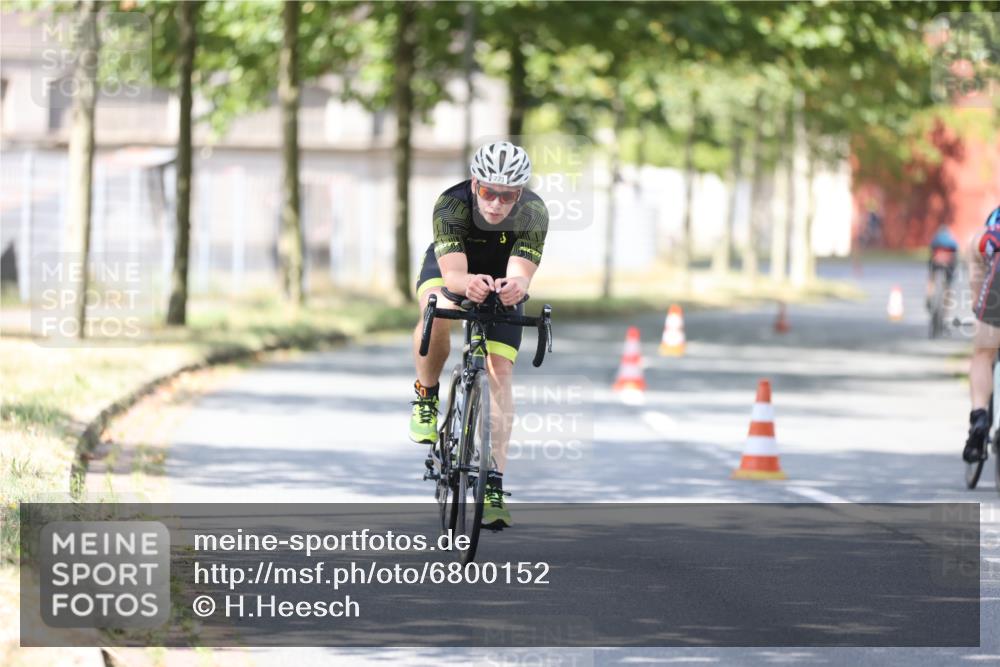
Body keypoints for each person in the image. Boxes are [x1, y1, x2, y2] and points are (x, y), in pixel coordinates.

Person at [409, 141, 548, 528]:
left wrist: (516, 287)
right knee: (437, 310)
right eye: (488, 192)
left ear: (519, 193)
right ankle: (426, 395)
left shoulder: (533, 211)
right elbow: (454, 275)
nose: (496, 203)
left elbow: (521, 274)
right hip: (451, 270)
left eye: (507, 196)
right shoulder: (451, 204)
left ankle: (493, 485)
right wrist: (466, 284)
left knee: (500, 370)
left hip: (500, 278)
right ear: (475, 183)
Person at [963, 205, 1000, 462]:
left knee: (983, 354)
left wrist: (977, 301)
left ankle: (979, 416)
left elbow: (974, 248)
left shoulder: (991, 232)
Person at [925, 223, 958, 311]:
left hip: (936, 262)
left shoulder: (937, 238)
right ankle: (946, 304)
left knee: (931, 279)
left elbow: (931, 250)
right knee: (949, 284)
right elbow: (955, 253)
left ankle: (929, 296)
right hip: (949, 264)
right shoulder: (951, 239)